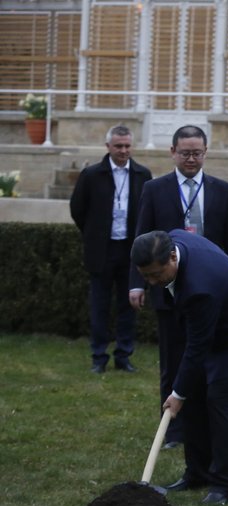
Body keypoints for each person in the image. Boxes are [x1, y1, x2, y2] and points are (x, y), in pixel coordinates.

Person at [131, 230, 228, 505]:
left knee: (221, 402)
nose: (153, 282)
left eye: (156, 274)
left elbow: (197, 347)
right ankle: (197, 473)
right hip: (218, 333)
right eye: (147, 277)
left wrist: (176, 395)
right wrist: (183, 392)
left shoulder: (200, 288)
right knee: (195, 396)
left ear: (173, 257)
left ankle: (226, 486)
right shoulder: (174, 238)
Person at [130, 125, 228, 448]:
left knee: (208, 359)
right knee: (173, 360)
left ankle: (205, 424)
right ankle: (173, 430)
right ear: (172, 153)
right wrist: (136, 284)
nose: (191, 159)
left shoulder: (223, 190)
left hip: (210, 293)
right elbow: (141, 238)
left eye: (197, 153)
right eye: (185, 153)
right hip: (168, 292)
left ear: (205, 153)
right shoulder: (155, 189)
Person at [69, 124, 153, 374]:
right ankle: (98, 356)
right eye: (118, 146)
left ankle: (124, 355)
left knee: (130, 304)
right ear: (108, 147)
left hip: (131, 251)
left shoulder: (142, 174)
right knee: (100, 305)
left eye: (127, 146)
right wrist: (94, 234)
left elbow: (149, 209)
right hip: (102, 251)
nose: (123, 150)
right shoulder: (92, 175)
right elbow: (78, 209)